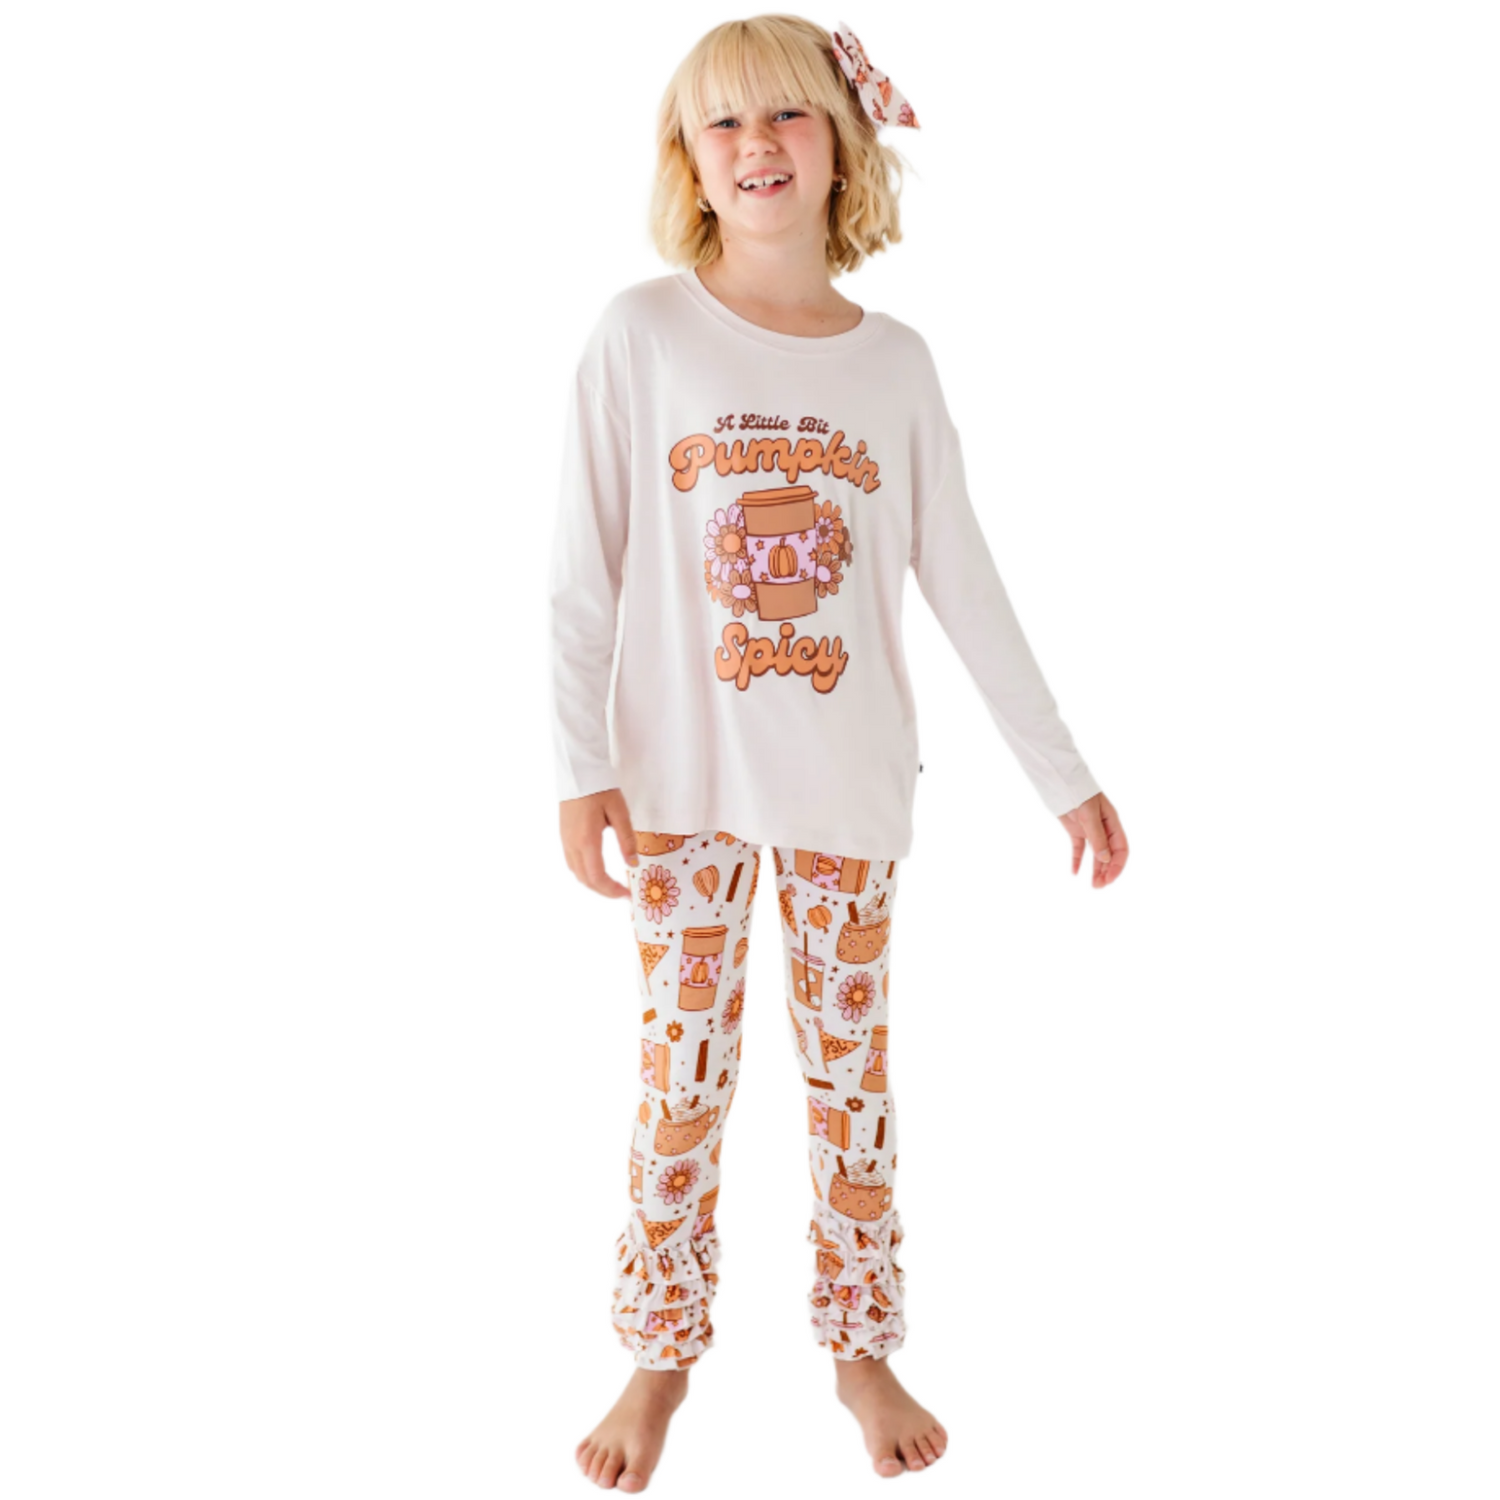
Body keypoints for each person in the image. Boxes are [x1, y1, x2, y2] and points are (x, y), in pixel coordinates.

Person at [548, 16, 1130, 1490]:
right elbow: (579, 573)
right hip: (677, 786)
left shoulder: (896, 367)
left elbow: (966, 582)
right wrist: (576, 766)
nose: (758, 146)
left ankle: (861, 1348)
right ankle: (658, 1355)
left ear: (842, 146)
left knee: (850, 1083)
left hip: (846, 791)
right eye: (725, 123)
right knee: (679, 1087)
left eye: (789, 117)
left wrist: (1062, 773)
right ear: (689, 159)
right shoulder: (640, 335)